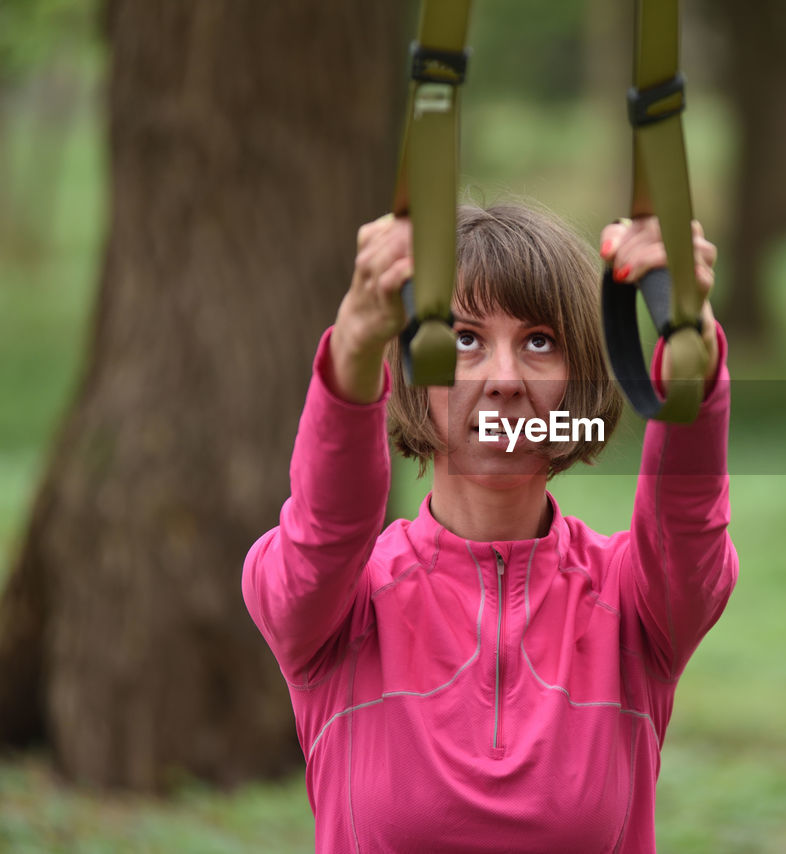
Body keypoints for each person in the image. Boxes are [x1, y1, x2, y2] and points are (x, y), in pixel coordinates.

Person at [242, 202, 737, 853]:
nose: (503, 380)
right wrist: (358, 339)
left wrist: (690, 341)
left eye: (539, 342)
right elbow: (328, 523)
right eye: (465, 339)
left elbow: (687, 519)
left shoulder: (634, 602)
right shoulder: (337, 607)